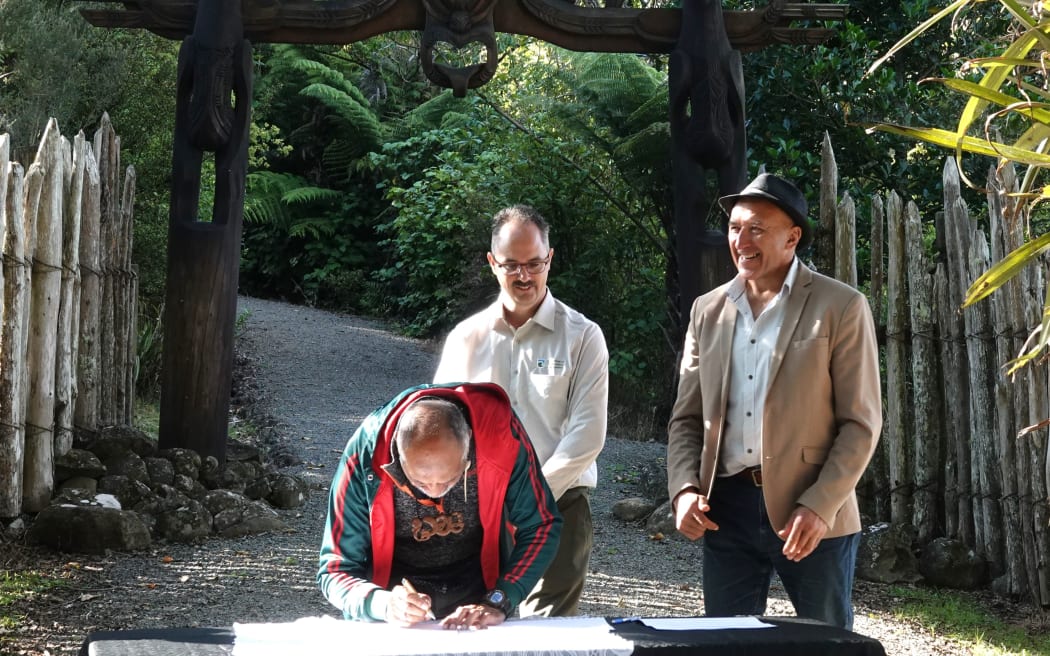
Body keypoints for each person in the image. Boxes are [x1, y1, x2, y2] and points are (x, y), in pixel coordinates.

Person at [666, 173, 881, 629]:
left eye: (757, 229)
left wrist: (820, 505)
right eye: (734, 227)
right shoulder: (709, 310)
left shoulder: (840, 306)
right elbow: (687, 417)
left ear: (793, 237)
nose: (741, 240)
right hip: (725, 509)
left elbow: (861, 423)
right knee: (728, 641)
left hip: (812, 510)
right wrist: (684, 489)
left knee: (826, 642)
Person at [433, 204, 608, 617]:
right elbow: (439, 425)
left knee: (545, 634)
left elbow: (587, 434)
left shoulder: (583, 336)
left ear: (550, 259)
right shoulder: (466, 338)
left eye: (534, 263)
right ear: (493, 263)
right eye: (512, 265)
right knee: (472, 624)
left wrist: (528, 500)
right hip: (475, 511)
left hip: (560, 503)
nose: (524, 276)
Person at [317, 383, 562, 629]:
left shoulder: (500, 435)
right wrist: (380, 603)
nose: (434, 490)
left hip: (477, 588)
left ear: (469, 451)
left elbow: (541, 524)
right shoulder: (365, 455)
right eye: (418, 481)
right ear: (398, 458)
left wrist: (500, 598)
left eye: (449, 480)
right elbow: (336, 569)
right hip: (393, 605)